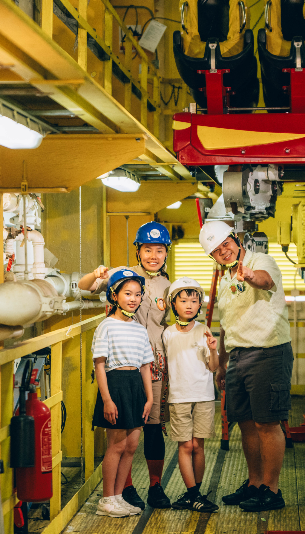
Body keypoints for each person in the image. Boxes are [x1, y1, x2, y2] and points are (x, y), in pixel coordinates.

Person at [198, 220, 293, 512]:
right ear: (212, 257)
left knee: (267, 423)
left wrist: (250, 275)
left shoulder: (259, 261)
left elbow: (264, 280)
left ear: (235, 239)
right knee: (246, 424)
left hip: (268, 352)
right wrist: (223, 364)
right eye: (216, 251)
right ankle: (254, 483)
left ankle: (272, 490)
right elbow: (227, 326)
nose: (223, 251)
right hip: (239, 356)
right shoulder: (225, 279)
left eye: (225, 244)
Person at [78, 221, 173, 509]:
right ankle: (125, 488)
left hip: (153, 362)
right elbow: (85, 289)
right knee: (125, 430)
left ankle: (155, 485)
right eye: (147, 250)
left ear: (166, 253)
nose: (153, 256)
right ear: (138, 251)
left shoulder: (169, 286)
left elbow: (177, 321)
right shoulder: (123, 276)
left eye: (159, 250)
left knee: (153, 425)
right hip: (120, 363)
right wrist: (95, 275)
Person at [91, 268, 154, 518]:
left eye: (138, 294)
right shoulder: (106, 326)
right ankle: (106, 499)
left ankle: (118, 497)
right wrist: (107, 399)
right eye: (127, 293)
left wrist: (149, 398)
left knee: (131, 445)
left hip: (135, 385)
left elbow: (146, 366)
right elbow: (99, 364)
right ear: (114, 296)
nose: (133, 298)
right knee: (116, 445)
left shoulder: (139, 329)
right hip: (115, 384)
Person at [161, 277, 220, 512]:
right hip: (178, 397)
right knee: (185, 446)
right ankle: (195, 495)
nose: (188, 305)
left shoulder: (204, 330)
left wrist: (214, 350)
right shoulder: (167, 334)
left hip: (204, 396)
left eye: (193, 301)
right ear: (173, 304)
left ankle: (193, 494)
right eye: (183, 300)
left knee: (198, 446)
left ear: (199, 305)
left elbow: (213, 367)